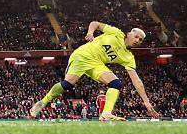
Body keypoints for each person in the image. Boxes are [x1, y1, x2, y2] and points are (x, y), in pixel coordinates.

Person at [30, 21, 160, 121]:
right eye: (136, 37)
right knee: (68, 84)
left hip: (96, 64)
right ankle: (43, 102)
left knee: (116, 83)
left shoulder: (128, 57)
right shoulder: (116, 33)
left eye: (140, 40)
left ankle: (106, 113)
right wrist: (91, 32)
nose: (137, 40)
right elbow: (95, 23)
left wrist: (146, 102)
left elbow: (136, 80)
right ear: (129, 34)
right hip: (82, 55)